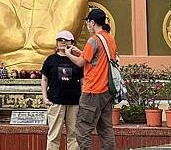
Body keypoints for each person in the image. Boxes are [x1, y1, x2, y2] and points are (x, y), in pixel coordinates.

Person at [65, 8, 117, 150]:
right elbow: (98, 59)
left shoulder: (93, 40)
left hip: (92, 91)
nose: (87, 25)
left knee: (83, 129)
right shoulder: (109, 39)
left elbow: (80, 63)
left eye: (88, 22)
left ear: (92, 22)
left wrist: (68, 54)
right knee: (105, 128)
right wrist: (80, 52)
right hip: (107, 91)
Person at [41, 30, 84, 150]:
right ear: (56, 43)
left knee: (74, 135)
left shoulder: (77, 60)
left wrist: (83, 99)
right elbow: (44, 80)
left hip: (74, 102)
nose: (63, 42)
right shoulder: (50, 60)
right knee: (54, 135)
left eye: (66, 40)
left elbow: (83, 82)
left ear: (72, 43)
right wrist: (44, 97)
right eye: (60, 40)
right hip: (56, 101)